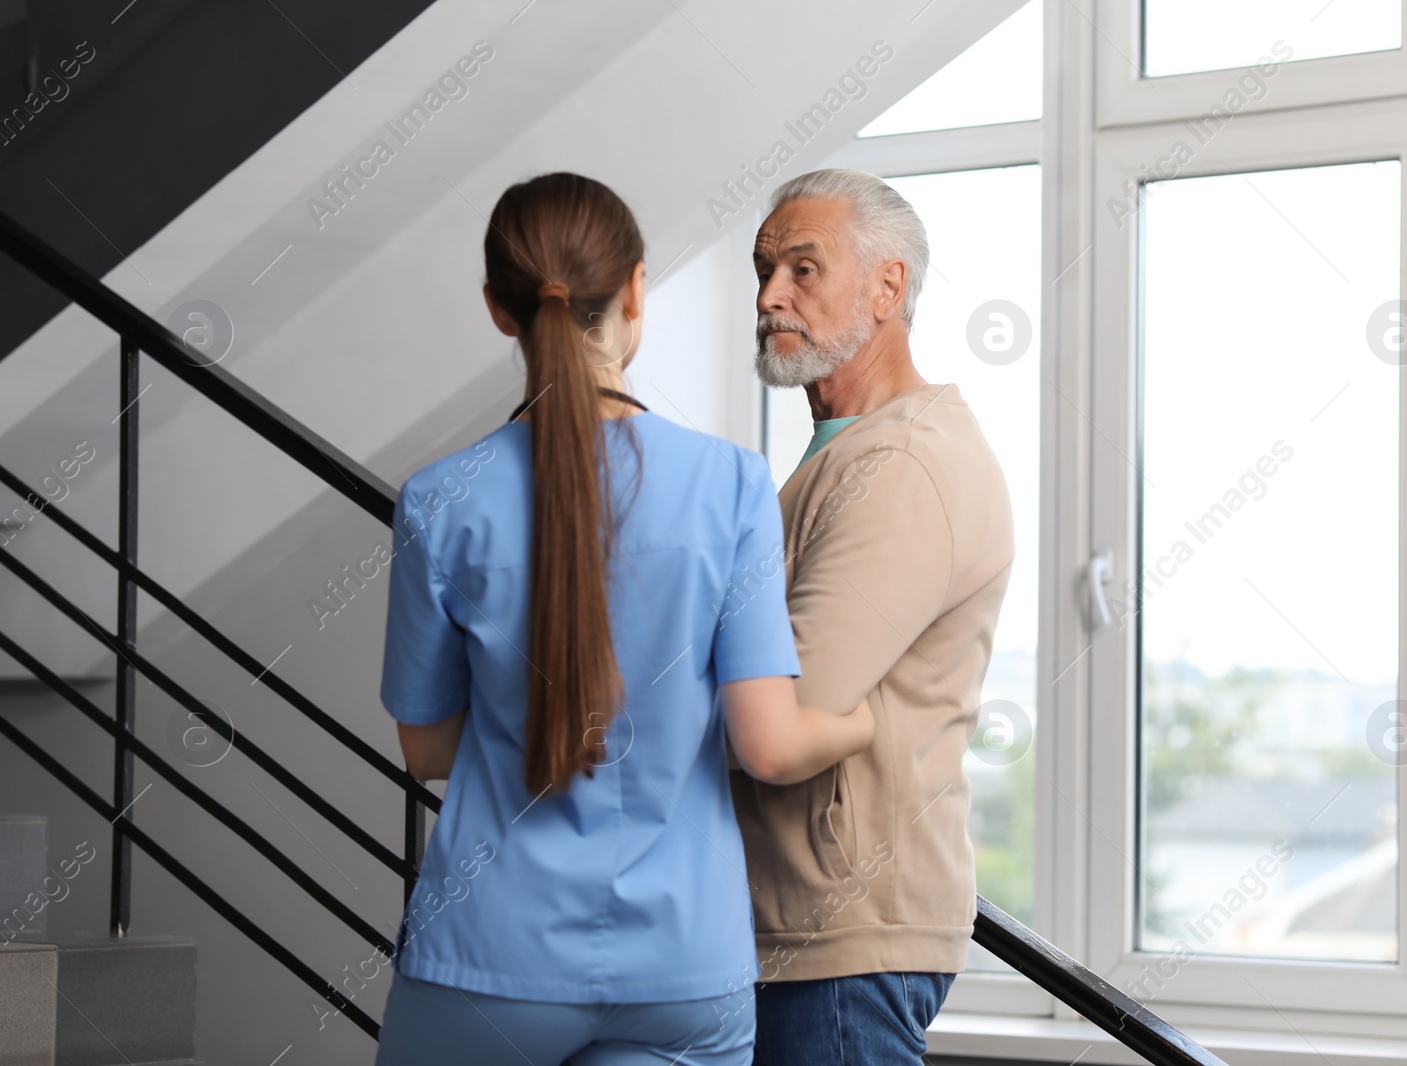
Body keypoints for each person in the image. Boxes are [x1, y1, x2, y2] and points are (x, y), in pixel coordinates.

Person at [372, 171, 874, 1066]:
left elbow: (428, 751)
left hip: (490, 959)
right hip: (681, 970)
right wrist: (866, 719)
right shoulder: (730, 483)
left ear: (498, 308)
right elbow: (767, 743)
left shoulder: (438, 501)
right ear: (637, 291)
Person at [732, 168, 1015, 1066]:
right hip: (799, 936)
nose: (771, 296)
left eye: (803, 270)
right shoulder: (843, 453)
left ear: (888, 287)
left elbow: (785, 712)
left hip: (842, 943)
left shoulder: (899, 465)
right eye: (764, 270)